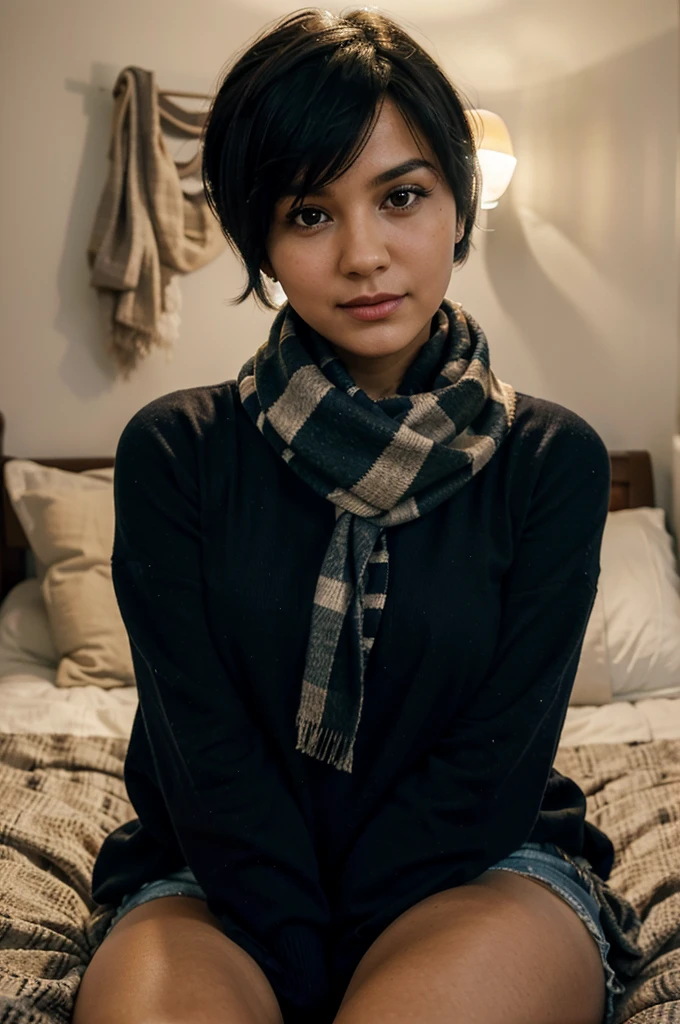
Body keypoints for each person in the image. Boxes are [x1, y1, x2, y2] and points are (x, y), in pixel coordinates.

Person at [73, 8, 642, 1024]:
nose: (364, 253)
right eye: (308, 212)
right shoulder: (176, 453)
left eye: (402, 196)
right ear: (261, 240)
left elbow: (492, 762)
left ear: (458, 208)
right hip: (212, 879)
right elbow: (203, 758)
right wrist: (301, 951)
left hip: (483, 866)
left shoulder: (552, 462)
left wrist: (358, 959)